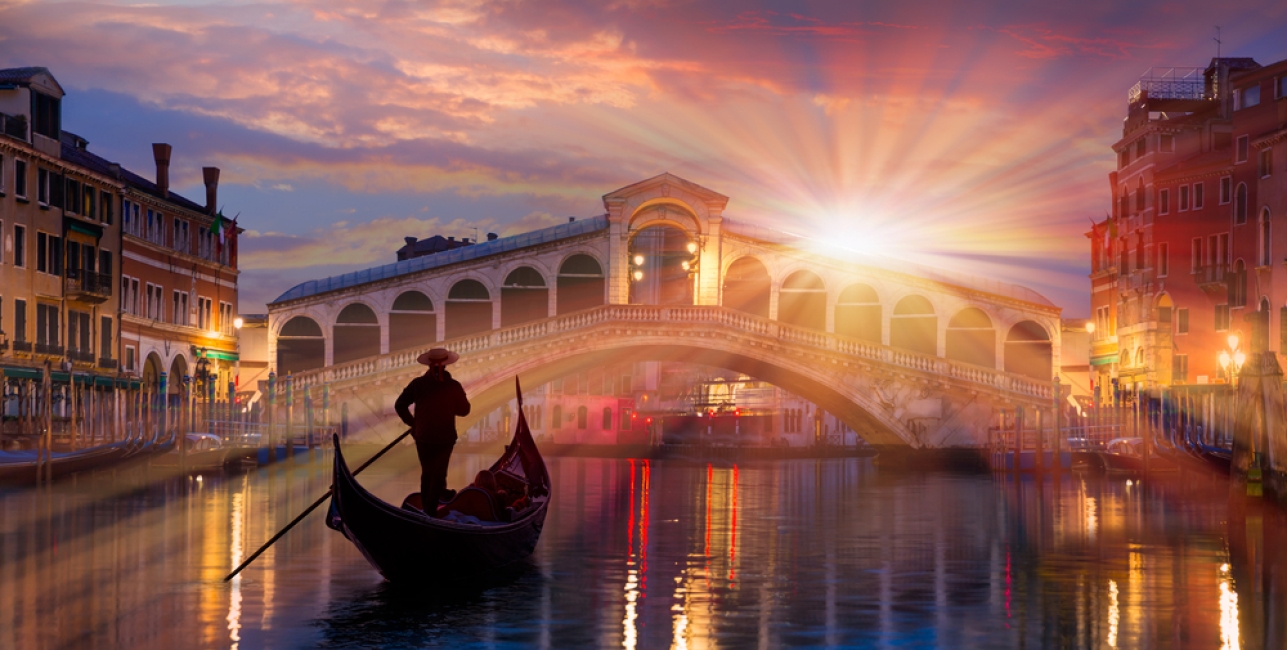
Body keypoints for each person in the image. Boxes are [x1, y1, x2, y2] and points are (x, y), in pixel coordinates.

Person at [394, 348, 471, 515]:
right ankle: (431, 511)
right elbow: (465, 410)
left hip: (423, 436)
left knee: (428, 473)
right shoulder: (453, 386)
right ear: (445, 366)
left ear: (429, 366)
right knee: (438, 473)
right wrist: (451, 407)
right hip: (444, 437)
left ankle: (430, 507)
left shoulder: (418, 384)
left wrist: (413, 424)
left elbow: (400, 405)